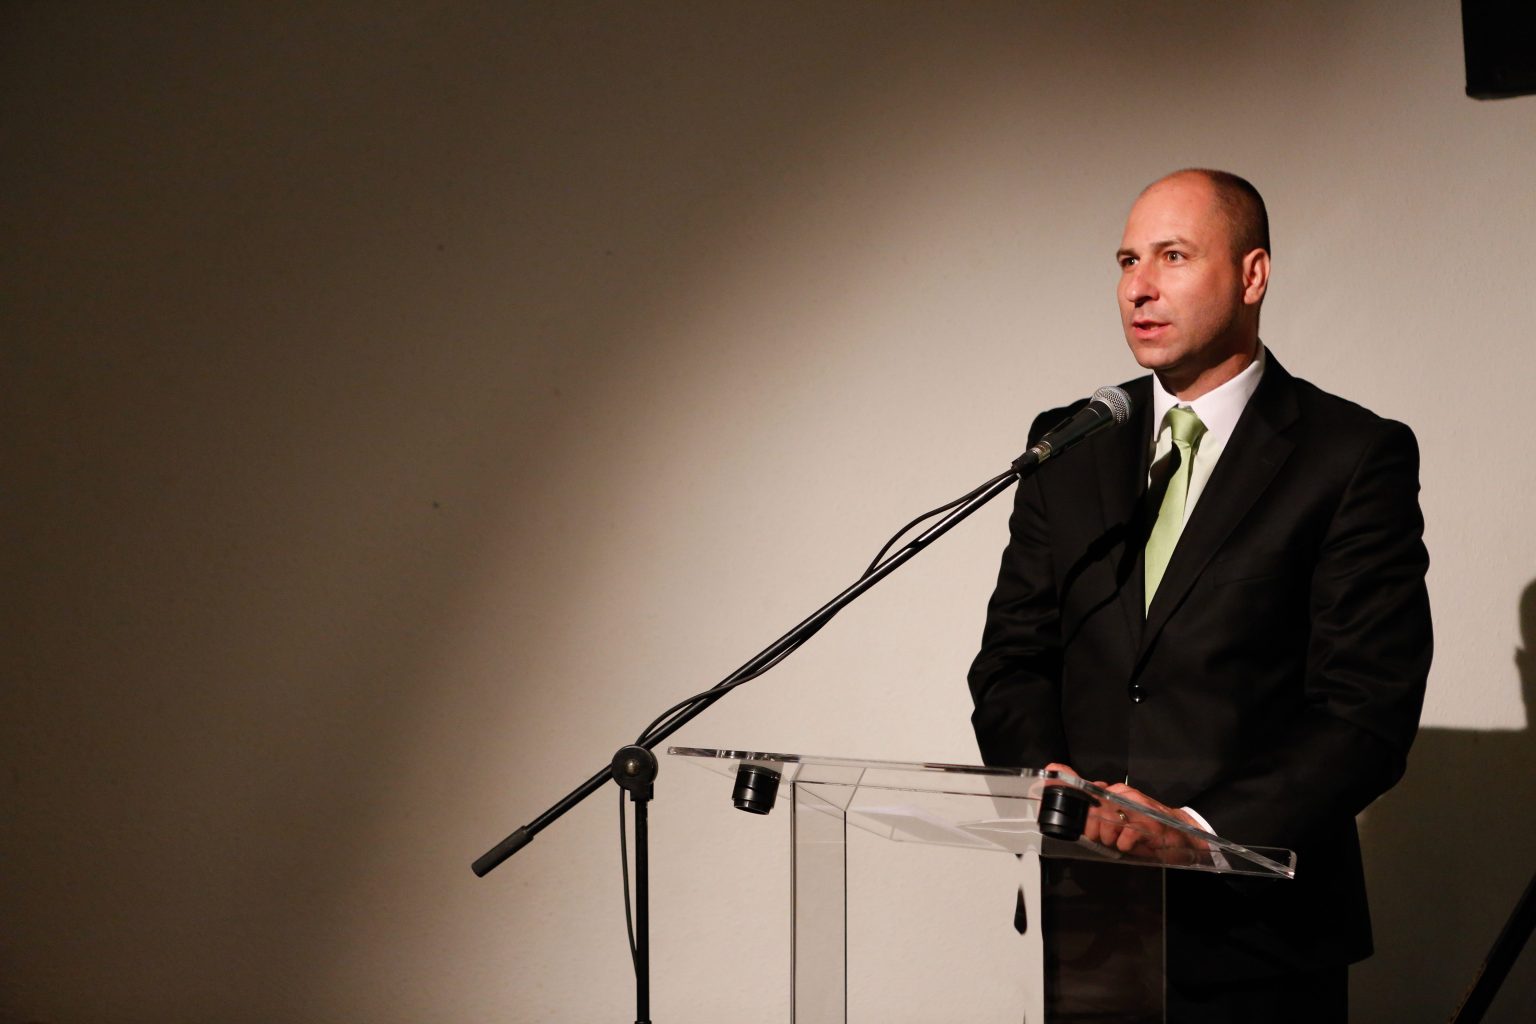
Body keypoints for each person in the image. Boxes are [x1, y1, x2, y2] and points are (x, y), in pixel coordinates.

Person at [968, 169, 1432, 1021]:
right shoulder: (1069, 443)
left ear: (1253, 275)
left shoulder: (1351, 455)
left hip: (1260, 941)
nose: (1138, 288)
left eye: (1172, 257)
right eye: (1127, 261)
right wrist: (1047, 783)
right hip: (1093, 919)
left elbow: (1366, 712)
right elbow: (1011, 662)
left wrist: (1197, 833)